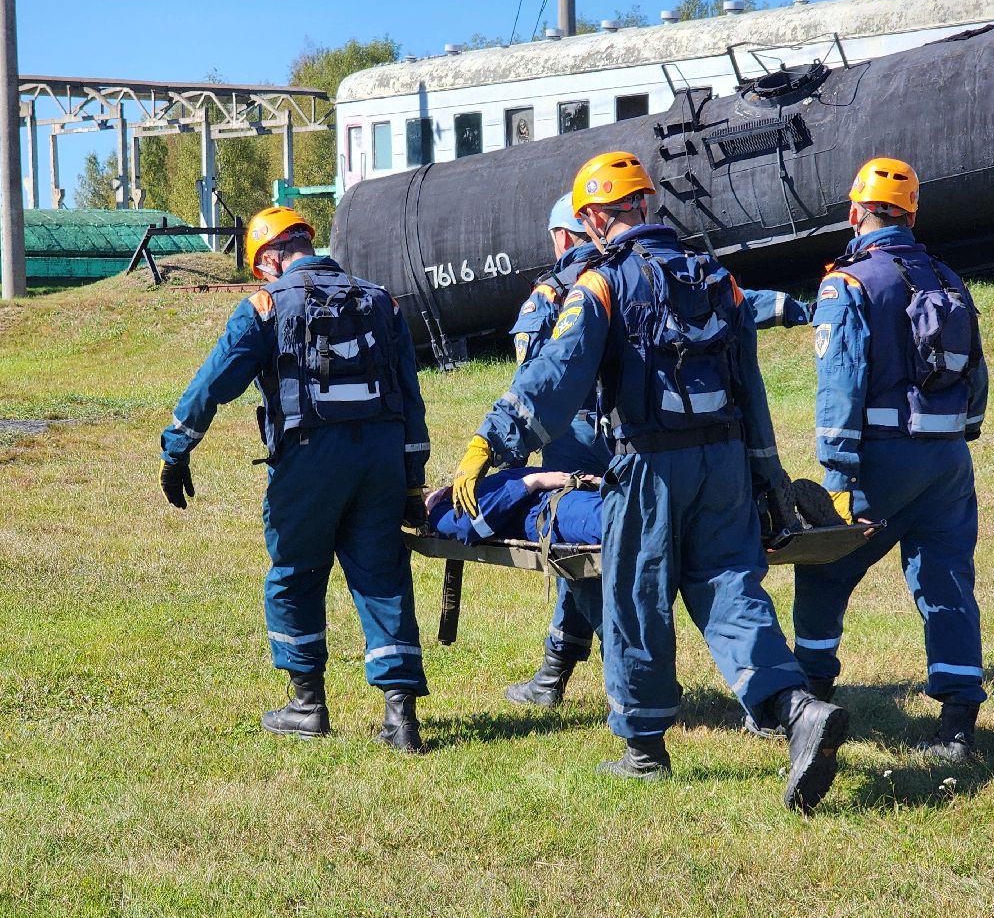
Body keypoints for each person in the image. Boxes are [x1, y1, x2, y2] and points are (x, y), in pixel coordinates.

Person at [451, 151, 849, 812]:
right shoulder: (716, 280)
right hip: (723, 463)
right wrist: (769, 475)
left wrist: (489, 441)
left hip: (647, 466)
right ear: (645, 204)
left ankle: (643, 750)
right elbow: (749, 387)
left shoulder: (603, 285)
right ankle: (797, 708)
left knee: (635, 601)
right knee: (731, 590)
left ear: (596, 218)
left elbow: (554, 379)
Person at [159, 206, 432, 753]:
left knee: (296, 573)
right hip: (380, 459)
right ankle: (401, 719)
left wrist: (177, 449)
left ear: (269, 259)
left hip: (309, 460)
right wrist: (411, 482)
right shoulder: (381, 300)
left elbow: (215, 381)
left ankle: (307, 705)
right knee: (382, 577)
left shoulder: (265, 306)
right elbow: (409, 397)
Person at [795, 158, 989, 764]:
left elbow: (839, 385)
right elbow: (976, 373)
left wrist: (837, 473)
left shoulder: (847, 283)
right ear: (910, 216)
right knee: (947, 583)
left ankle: (810, 697)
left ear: (857, 214)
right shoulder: (948, 278)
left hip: (879, 462)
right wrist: (962, 434)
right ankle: (957, 724)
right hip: (948, 460)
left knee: (824, 574)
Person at [501, 194, 613, 708]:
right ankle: (552, 674)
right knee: (591, 552)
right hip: (637, 438)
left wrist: (507, 457)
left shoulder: (550, 295)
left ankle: (633, 673)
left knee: (577, 550)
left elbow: (533, 382)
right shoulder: (628, 275)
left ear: (564, 236)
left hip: (576, 441)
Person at [426, 470, 602, 546]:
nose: (435, 490)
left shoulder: (466, 489)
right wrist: (530, 482)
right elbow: (469, 527)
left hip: (579, 494)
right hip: (552, 512)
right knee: (615, 523)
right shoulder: (440, 513)